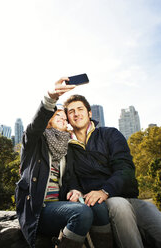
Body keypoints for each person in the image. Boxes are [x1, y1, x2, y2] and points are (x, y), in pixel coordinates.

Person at [62, 94, 161, 248]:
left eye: (80, 109)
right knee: (118, 205)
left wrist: (105, 190)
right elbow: (70, 177)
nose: (76, 114)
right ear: (68, 118)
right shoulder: (67, 147)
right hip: (101, 205)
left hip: (128, 197)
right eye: (71, 112)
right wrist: (75, 189)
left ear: (89, 113)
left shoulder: (110, 134)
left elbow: (125, 168)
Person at [15, 78, 112, 248]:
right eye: (57, 115)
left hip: (60, 204)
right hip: (38, 209)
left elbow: (71, 177)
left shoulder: (67, 146)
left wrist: (74, 189)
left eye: (64, 117)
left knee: (98, 207)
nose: (63, 119)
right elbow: (37, 123)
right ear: (49, 120)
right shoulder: (34, 140)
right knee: (82, 213)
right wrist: (51, 97)